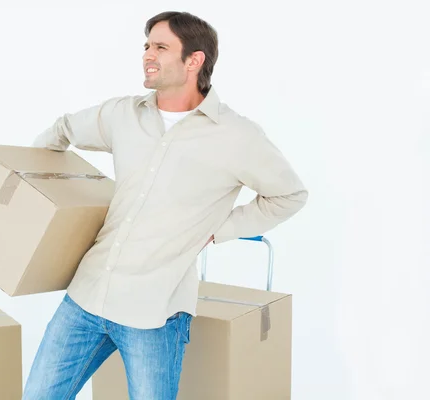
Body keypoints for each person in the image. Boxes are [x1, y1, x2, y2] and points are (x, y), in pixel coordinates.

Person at [23, 10, 308, 400]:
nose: (147, 55)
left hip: (154, 313)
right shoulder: (123, 114)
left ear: (195, 60)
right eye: (146, 45)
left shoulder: (237, 136)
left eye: (160, 47)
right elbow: (64, 129)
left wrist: (218, 230)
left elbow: (290, 195)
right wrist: (32, 196)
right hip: (87, 296)